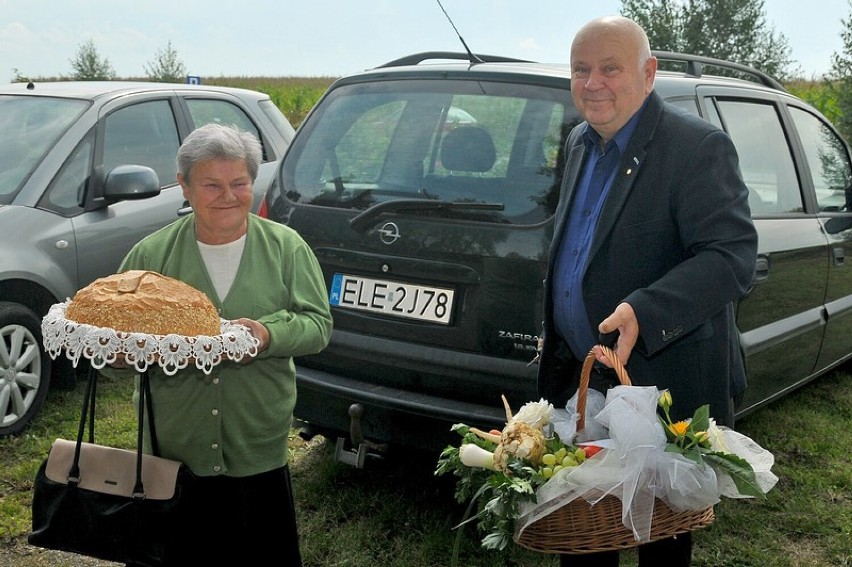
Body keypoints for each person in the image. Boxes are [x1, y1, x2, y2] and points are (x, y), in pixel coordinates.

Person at [536, 16, 758, 567]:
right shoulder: (579, 143)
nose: (593, 83)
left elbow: (732, 257)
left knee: (659, 546)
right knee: (583, 539)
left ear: (649, 72)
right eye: (581, 70)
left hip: (662, 389)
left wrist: (645, 308)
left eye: (611, 68)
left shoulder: (697, 147)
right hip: (586, 388)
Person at [113, 123, 333, 566]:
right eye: (211, 184)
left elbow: (317, 325)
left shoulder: (287, 249)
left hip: (257, 446)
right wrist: (130, 353)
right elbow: (108, 345)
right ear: (184, 186)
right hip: (173, 451)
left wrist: (269, 334)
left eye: (240, 183)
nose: (227, 196)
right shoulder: (149, 258)